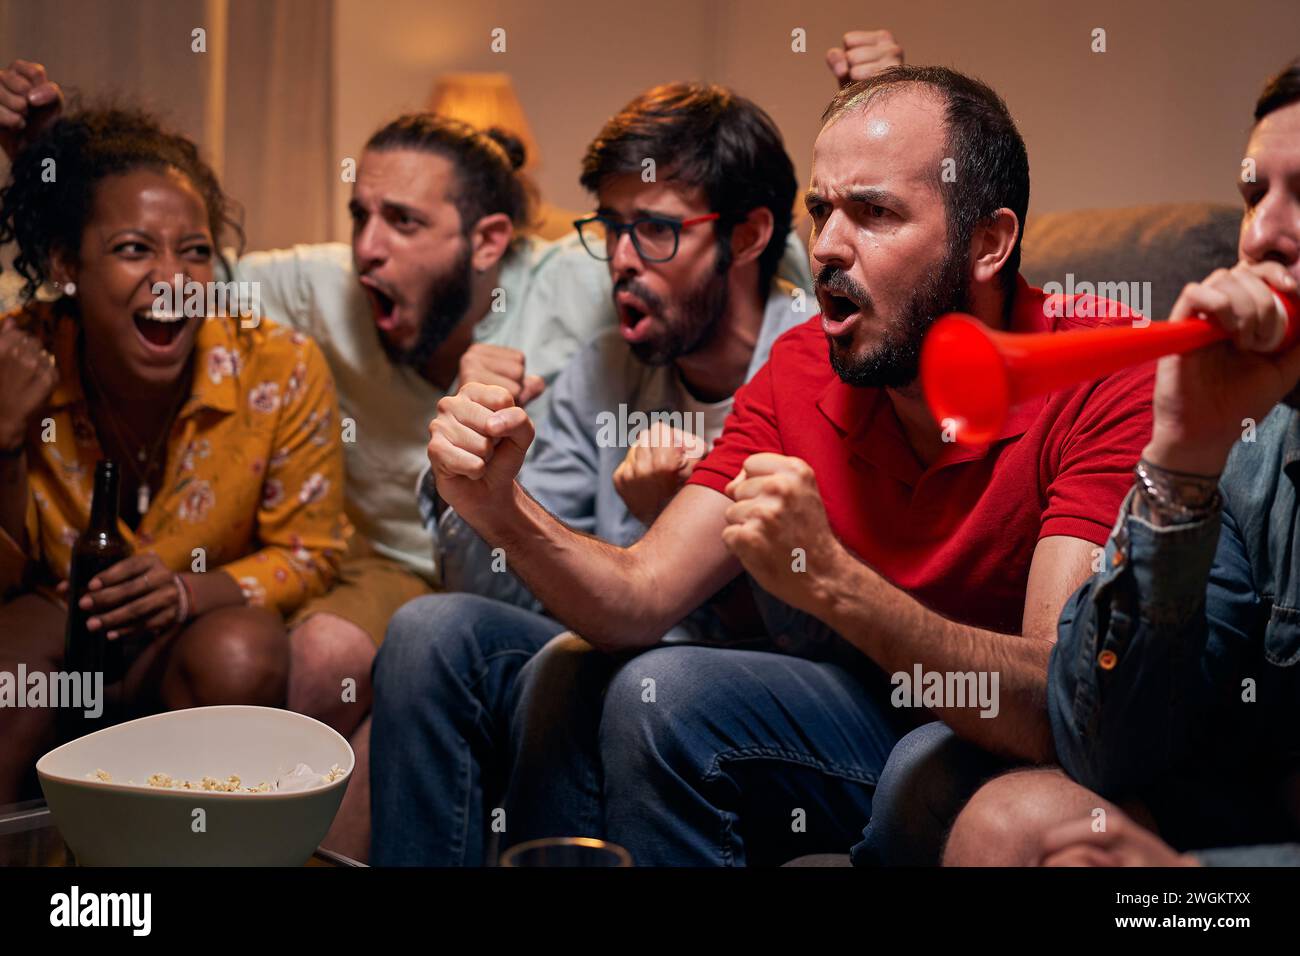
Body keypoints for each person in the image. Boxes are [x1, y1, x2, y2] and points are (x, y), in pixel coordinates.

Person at [422, 64, 1160, 866]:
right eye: (821, 210)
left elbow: (1061, 699)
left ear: (988, 243)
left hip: (988, 729)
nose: (828, 246)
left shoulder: (1099, 369)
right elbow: (637, 600)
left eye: (873, 213)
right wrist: (496, 505)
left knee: (923, 763)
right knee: (654, 687)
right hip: (854, 706)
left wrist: (834, 580)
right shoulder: (800, 366)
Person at [371, 81, 808, 865]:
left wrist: (675, 527)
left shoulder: (810, 364)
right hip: (612, 644)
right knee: (427, 629)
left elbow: (821, 629)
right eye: (610, 229)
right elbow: (495, 591)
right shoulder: (607, 369)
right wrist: (471, 470)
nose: (621, 261)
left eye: (656, 231)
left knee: (585, 669)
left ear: (748, 236)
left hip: (751, 688)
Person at [944, 59, 1300, 868]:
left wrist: (1183, 884)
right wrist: (1182, 460)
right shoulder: (1253, 445)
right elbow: (1101, 745)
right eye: (1255, 196)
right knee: (1009, 823)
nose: (1263, 236)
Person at [0, 104, 348, 803]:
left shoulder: (277, 367)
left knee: (242, 650)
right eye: (135, 249)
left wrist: (188, 590)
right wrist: (4, 438)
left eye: (194, 251)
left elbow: (311, 550)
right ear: (68, 264)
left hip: (190, 634)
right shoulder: (16, 360)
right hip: (54, 622)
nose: (173, 279)